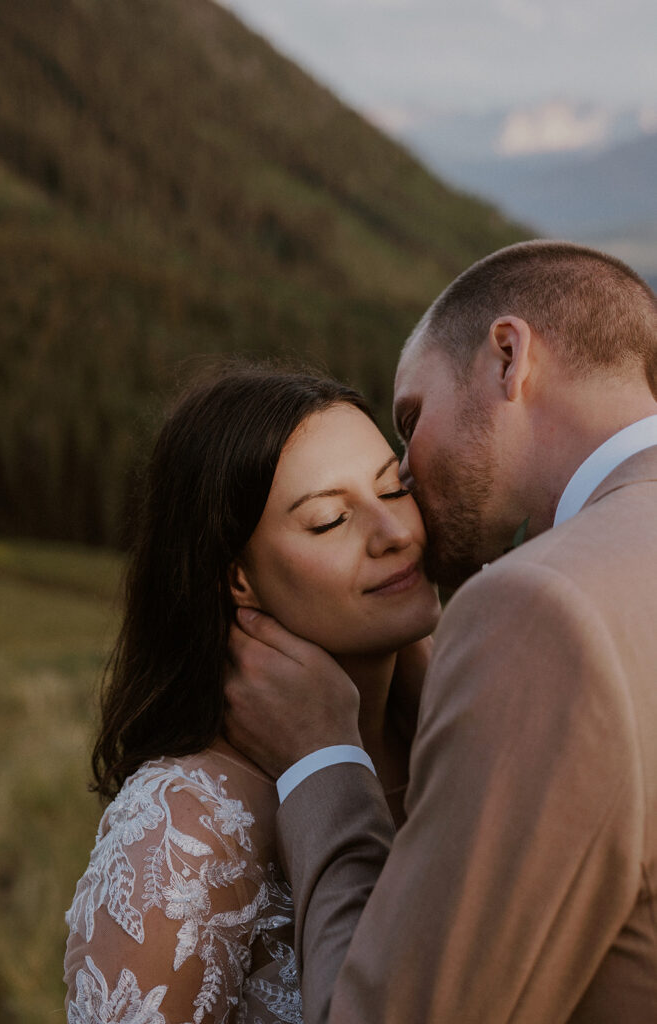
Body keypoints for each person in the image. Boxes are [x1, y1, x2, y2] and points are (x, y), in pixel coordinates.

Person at [224, 241, 657, 1023]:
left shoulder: (541, 607)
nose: (410, 484)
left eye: (411, 422)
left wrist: (321, 755)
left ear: (505, 358)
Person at [63, 363, 441, 1023]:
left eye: (395, 487)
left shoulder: (458, 742)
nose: (395, 533)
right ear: (238, 579)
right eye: (329, 520)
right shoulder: (185, 831)